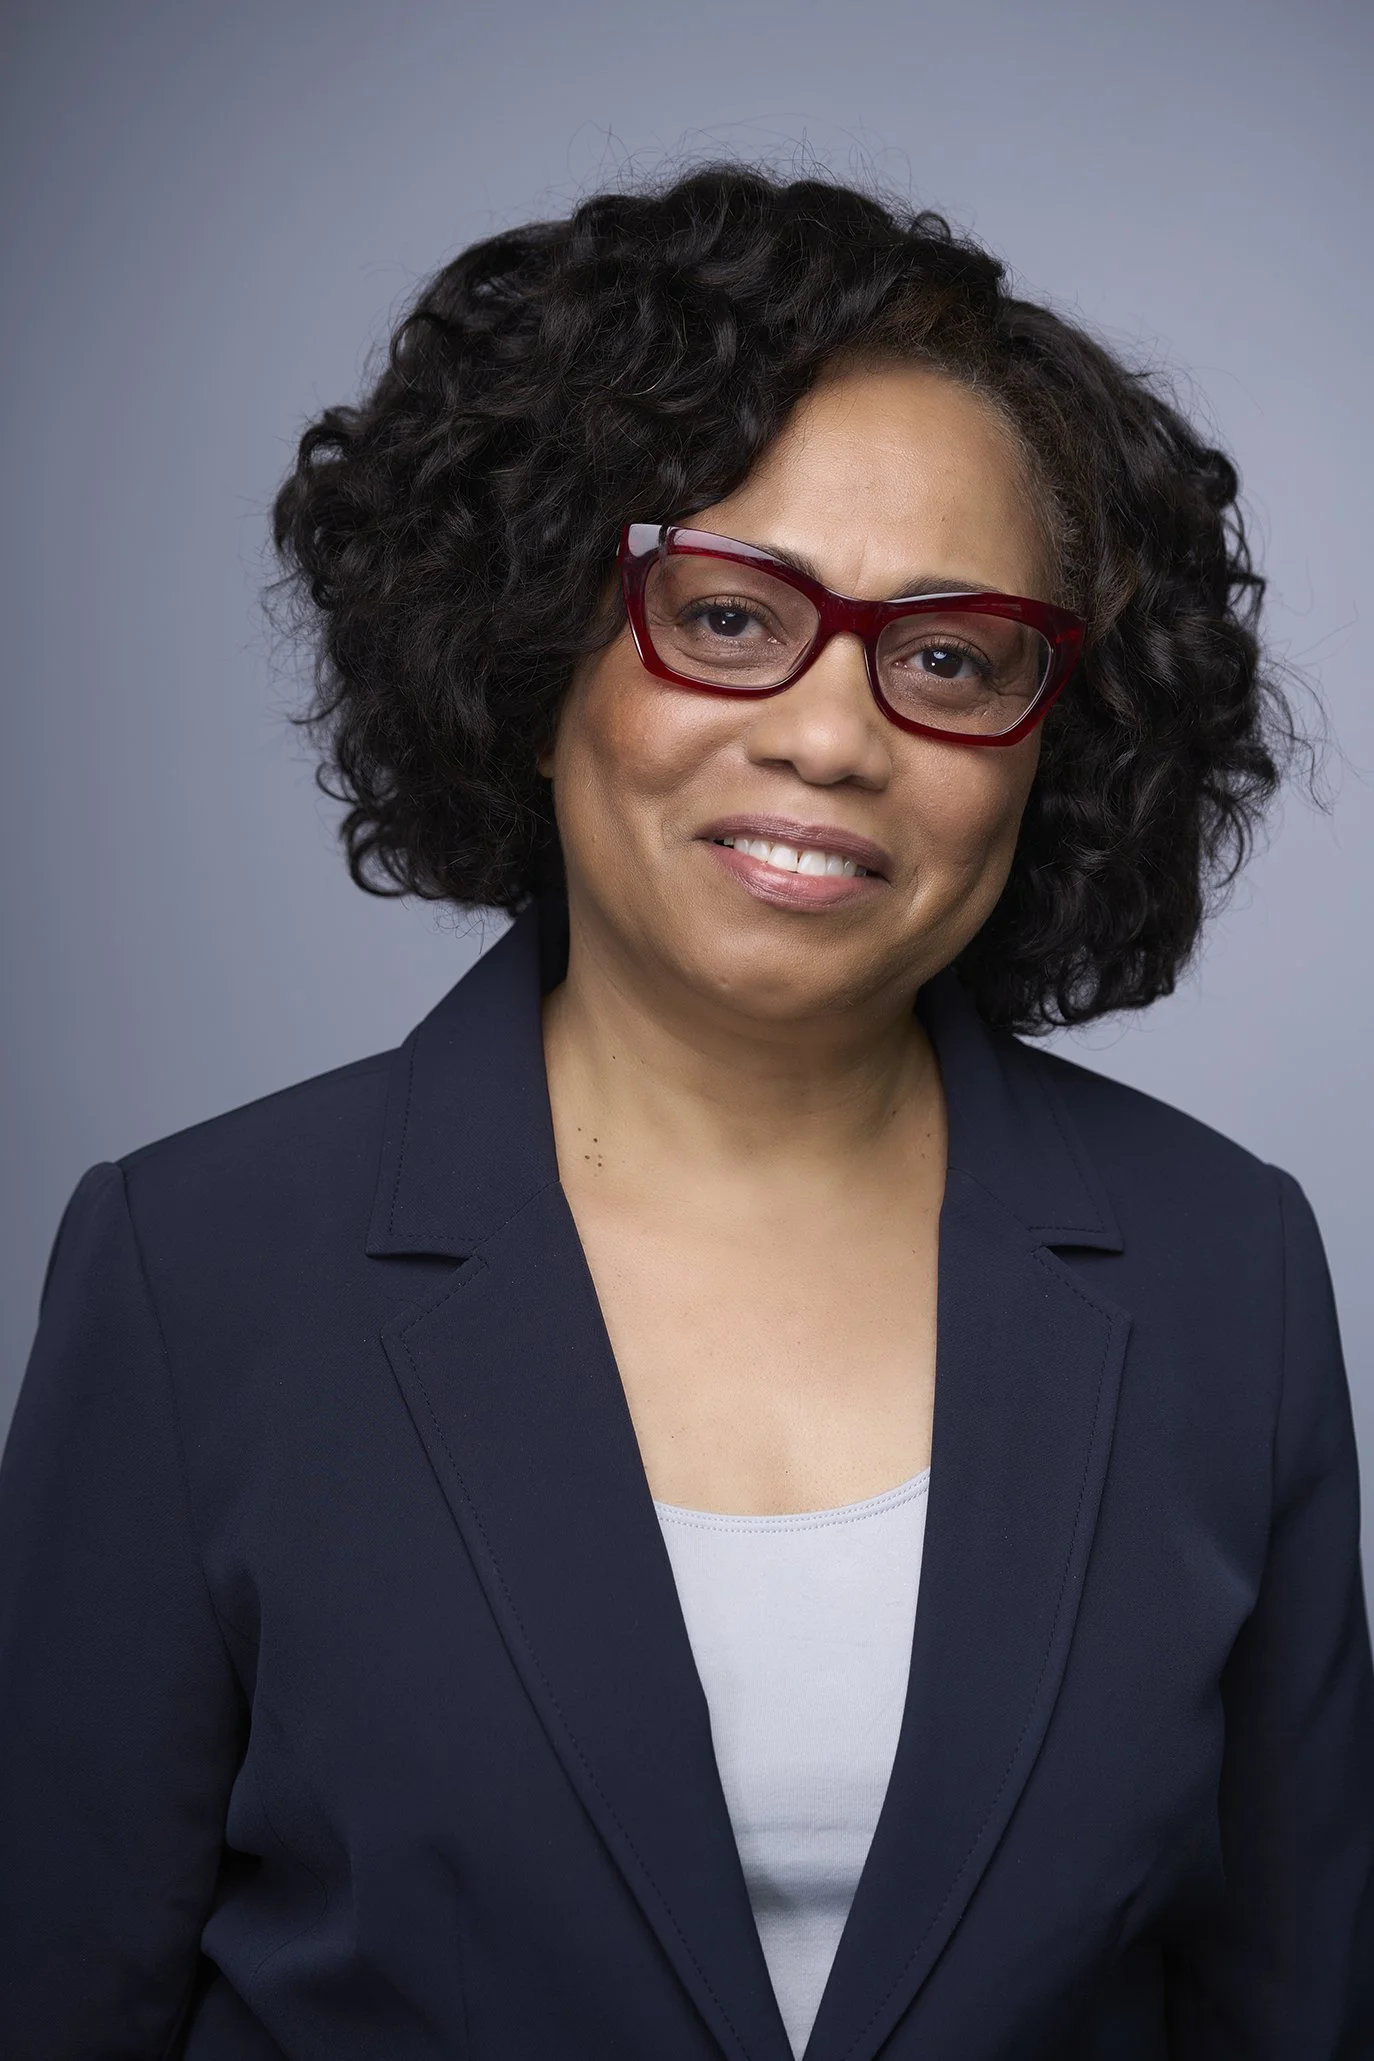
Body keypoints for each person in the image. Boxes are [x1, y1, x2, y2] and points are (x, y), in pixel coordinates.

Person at [1, 166, 1371, 2061]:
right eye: (726, 618)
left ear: (1056, 738)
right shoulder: (194, 1271)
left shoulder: (1234, 1274)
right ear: (531, 649)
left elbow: (1293, 2013)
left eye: (950, 655)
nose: (829, 731)